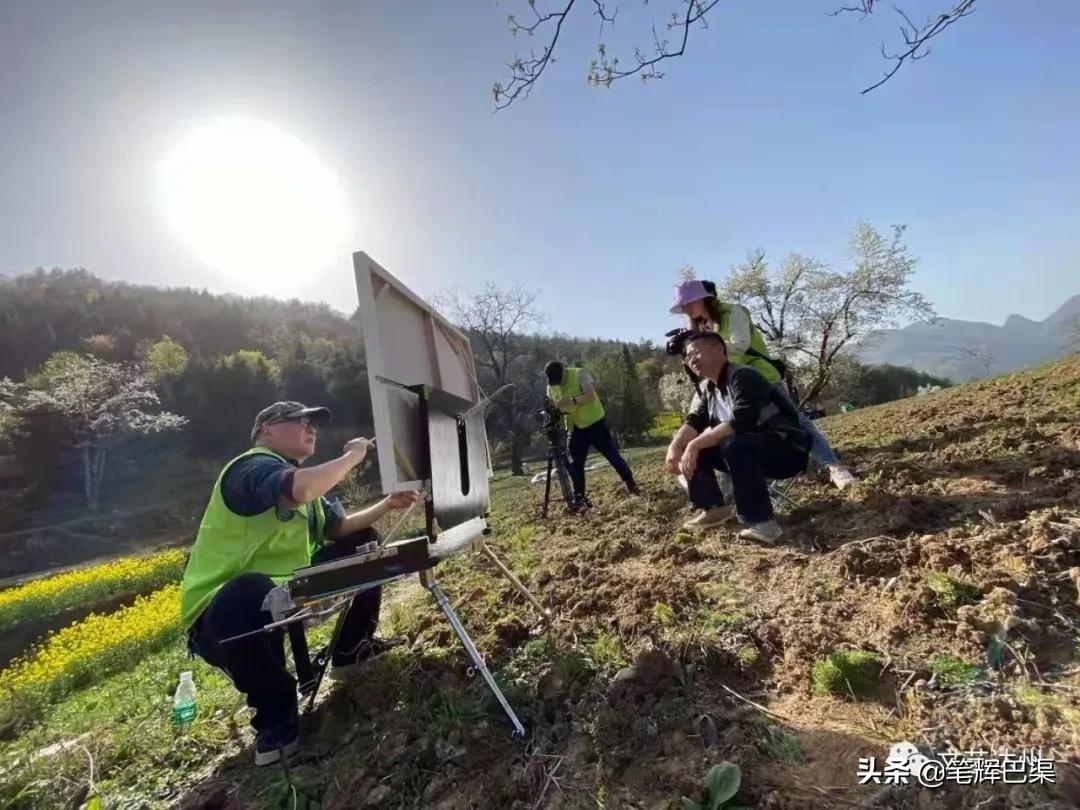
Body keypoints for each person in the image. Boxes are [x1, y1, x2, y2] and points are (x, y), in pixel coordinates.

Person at [179, 401, 420, 766]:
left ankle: (352, 650)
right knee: (248, 589)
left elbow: (336, 529)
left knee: (362, 543)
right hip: (223, 615)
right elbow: (299, 491)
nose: (311, 429)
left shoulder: (304, 481)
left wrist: (387, 505)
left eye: (315, 425)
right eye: (300, 421)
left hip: (283, 595)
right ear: (266, 430)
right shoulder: (251, 467)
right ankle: (275, 717)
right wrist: (353, 456)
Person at [669, 279, 858, 490]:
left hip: (758, 375)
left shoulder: (734, 312)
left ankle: (832, 466)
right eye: (682, 306)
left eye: (688, 303)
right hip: (728, 386)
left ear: (703, 298)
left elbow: (741, 345)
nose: (685, 309)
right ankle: (746, 484)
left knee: (796, 420)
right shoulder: (700, 325)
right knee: (731, 429)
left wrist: (709, 345)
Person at [664, 331, 810, 542]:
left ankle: (764, 524)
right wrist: (676, 447)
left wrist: (693, 445)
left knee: (732, 444)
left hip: (787, 449)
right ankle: (714, 509)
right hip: (751, 452)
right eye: (688, 356)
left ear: (719, 348)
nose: (692, 359)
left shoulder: (742, 376)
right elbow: (695, 421)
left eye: (697, 351)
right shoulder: (710, 390)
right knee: (704, 448)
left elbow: (742, 421)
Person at [544, 360, 640, 507]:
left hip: (595, 423)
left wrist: (572, 401)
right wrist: (554, 410)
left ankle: (630, 483)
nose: (559, 383)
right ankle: (580, 497)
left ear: (564, 369)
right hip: (575, 428)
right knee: (576, 466)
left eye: (560, 379)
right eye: (555, 381)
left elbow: (590, 396)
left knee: (612, 456)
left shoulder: (579, 374)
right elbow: (552, 405)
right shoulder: (552, 387)